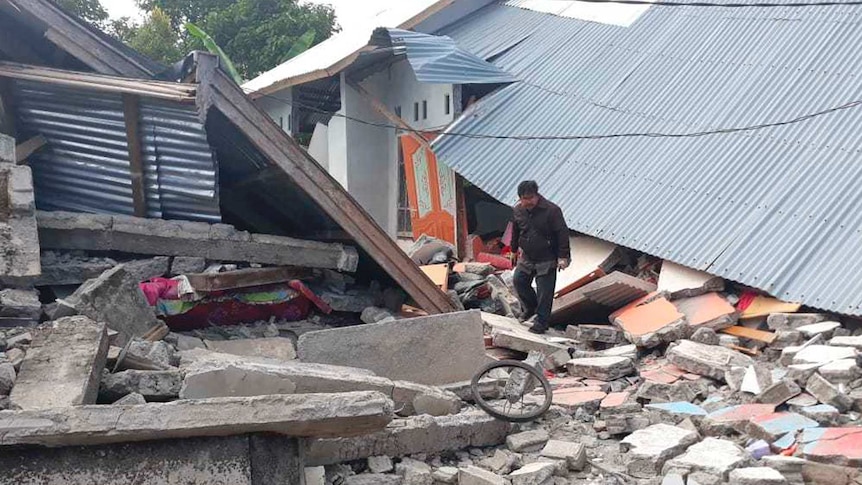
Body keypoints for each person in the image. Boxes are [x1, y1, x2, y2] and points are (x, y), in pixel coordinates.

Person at [509, 181, 571, 334]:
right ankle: (530, 308)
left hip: (547, 256)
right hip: (528, 256)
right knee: (519, 281)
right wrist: (513, 250)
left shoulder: (552, 210)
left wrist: (563, 256)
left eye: (531, 198)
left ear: (537, 196)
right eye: (524, 199)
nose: (528, 202)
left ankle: (541, 323)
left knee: (545, 292)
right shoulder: (518, 210)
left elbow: (562, 234)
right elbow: (516, 230)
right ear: (519, 198)